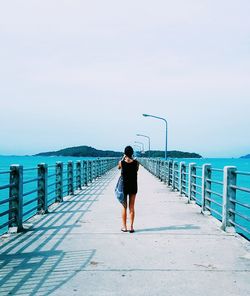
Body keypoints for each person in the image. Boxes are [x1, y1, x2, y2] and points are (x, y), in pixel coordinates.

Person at [118, 146, 139, 233]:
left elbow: (118, 168)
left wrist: (123, 158)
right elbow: (137, 170)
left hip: (124, 187)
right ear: (132, 153)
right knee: (132, 207)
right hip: (133, 186)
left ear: (125, 153)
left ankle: (124, 227)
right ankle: (131, 227)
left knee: (124, 207)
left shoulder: (121, 162)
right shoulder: (136, 163)